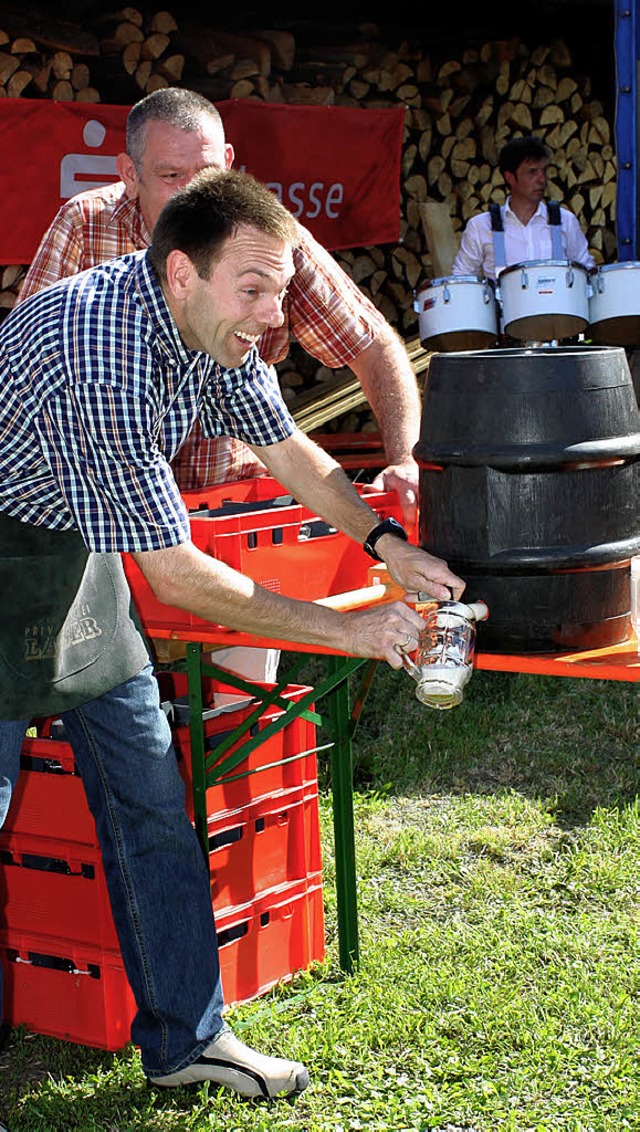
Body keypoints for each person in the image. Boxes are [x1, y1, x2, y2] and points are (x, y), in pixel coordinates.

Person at [0, 168, 464, 1101]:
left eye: (278, 290)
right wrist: (349, 628)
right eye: (253, 290)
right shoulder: (103, 348)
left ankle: (187, 1042)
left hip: (73, 561)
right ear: (181, 272)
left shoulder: (219, 326)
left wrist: (384, 543)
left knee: (149, 801)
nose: (269, 313)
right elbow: (176, 574)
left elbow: (288, 445)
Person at [19, 87, 421, 526]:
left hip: (228, 498)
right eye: (172, 176)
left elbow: (372, 344)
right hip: (109, 502)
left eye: (207, 173)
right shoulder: (85, 224)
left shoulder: (268, 243)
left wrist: (405, 459)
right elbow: (29, 368)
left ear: (229, 163)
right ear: (130, 174)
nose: (193, 196)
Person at [452, 135, 595, 281]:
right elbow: (461, 279)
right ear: (510, 178)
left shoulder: (566, 221)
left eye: (544, 171)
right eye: (532, 172)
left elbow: (587, 272)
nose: (542, 180)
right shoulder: (481, 226)